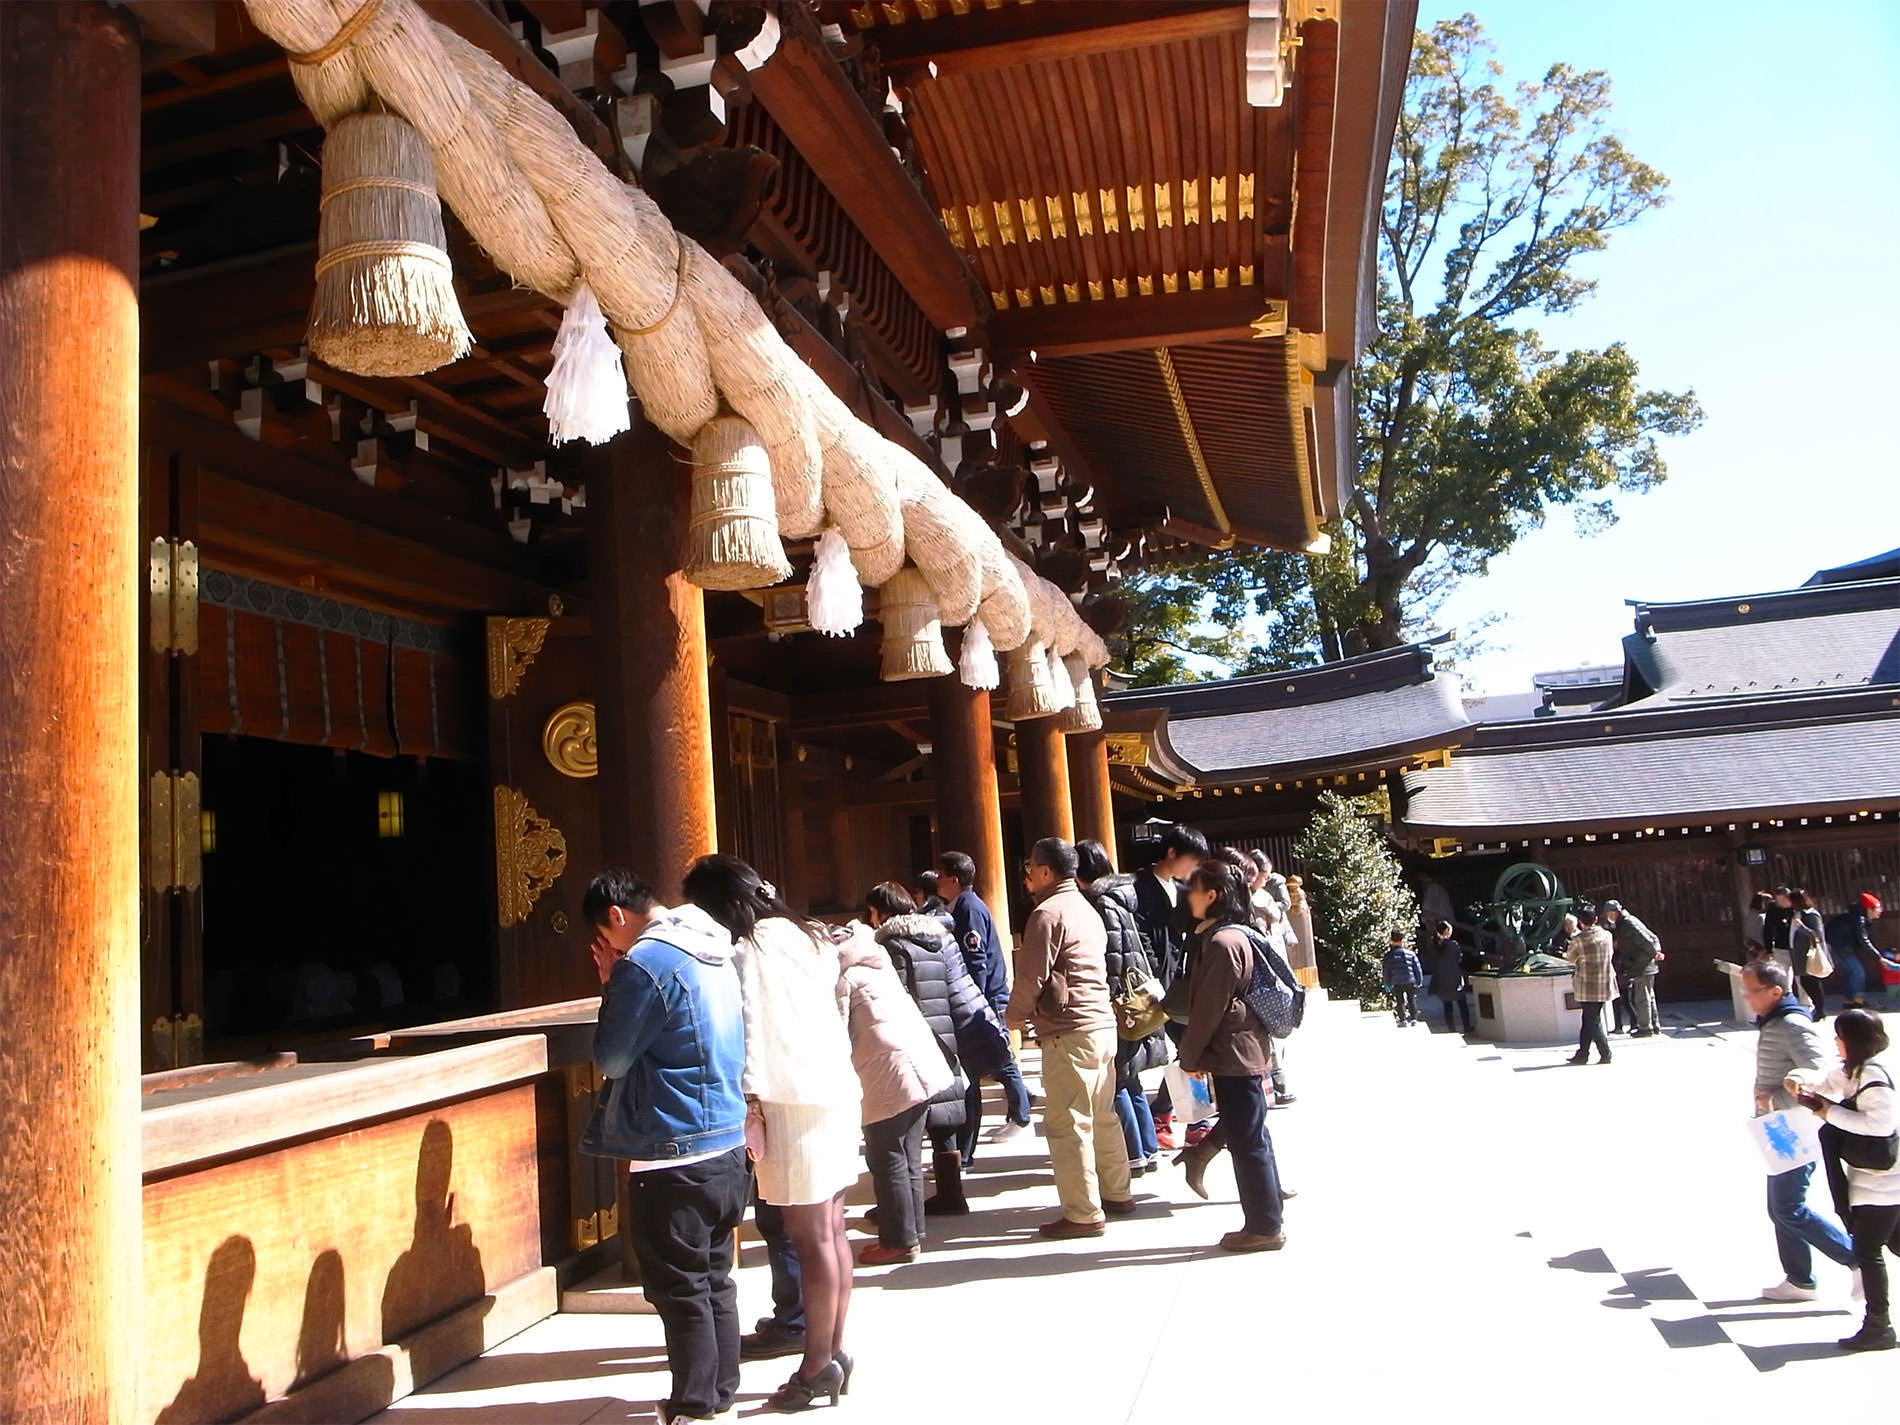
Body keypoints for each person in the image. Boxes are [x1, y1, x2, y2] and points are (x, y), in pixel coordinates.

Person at [685, 854, 859, 1412]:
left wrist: (749, 1098)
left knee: (809, 1239)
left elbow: (753, 1027)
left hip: (791, 1097)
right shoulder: (808, 934)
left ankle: (815, 1366)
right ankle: (831, 1350)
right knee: (831, 1230)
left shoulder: (748, 950)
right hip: (831, 1088)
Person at [584, 867, 749, 1425]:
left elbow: (611, 1059)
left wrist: (613, 984)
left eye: (605, 940)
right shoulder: (712, 949)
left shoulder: (647, 963)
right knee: (713, 1277)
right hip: (726, 1141)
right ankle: (721, 1390)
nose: (608, 950)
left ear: (616, 917)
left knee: (679, 1286)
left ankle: (695, 1406)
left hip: (673, 1148)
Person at [863, 881, 1010, 1223]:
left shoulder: (891, 947)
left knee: (906, 1127)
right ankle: (951, 1193)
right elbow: (962, 988)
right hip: (947, 1039)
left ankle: (901, 1207)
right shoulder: (941, 936)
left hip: (913, 1041)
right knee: (944, 1120)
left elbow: (893, 999)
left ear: (882, 912)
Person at [1009, 836, 1133, 1238]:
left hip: (1069, 1031)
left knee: (1068, 1124)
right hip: (1101, 1025)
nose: (1027, 876)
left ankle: (1082, 1212)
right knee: (1102, 1115)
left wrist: (1013, 1017)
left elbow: (1032, 976)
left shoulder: (1047, 913)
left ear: (1045, 871)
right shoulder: (1086, 907)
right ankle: (1117, 1192)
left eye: (1030, 867)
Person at [1178, 860, 1287, 1252]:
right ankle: (1267, 1218)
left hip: (1233, 1054)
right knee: (1253, 1136)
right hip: (1245, 1050)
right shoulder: (1237, 935)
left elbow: (1209, 1008)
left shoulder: (1223, 942)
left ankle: (1263, 1226)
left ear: (1212, 896)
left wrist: (1189, 1055)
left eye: (1194, 889)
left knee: (1248, 1142)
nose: (1188, 895)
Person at [838, 905, 956, 1268]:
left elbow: (836, 1027)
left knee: (886, 1156)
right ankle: (912, 1229)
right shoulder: (879, 963)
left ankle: (898, 1239)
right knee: (908, 1154)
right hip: (916, 1063)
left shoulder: (845, 976)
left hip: (886, 1071)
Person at [1738, 960, 1857, 1302]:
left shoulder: (1791, 1024)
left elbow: (1822, 1074)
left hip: (1796, 1128)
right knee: (1780, 1208)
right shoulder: (1773, 1021)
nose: (1746, 998)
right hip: (1777, 1125)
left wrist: (1774, 1097)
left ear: (1775, 992)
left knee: (1788, 1206)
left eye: (1751, 991)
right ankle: (1799, 1279)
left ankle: (1855, 1258)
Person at [1789, 1008, 1899, 1350]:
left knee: (1867, 1250)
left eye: (1839, 1036)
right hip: (1872, 1179)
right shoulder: (1853, 1071)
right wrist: (1801, 1081)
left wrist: (1828, 1111)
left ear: (1851, 1041)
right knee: (1894, 1244)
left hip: (1883, 1183)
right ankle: (1878, 1325)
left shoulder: (1874, 1080)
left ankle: (1878, 1326)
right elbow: (1827, 1080)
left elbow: (1880, 1127)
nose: (1835, 1041)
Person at [1076, 838, 1170, 1176]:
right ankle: (1148, 1147)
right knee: (1129, 1079)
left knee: (1114, 1080)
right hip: (1138, 996)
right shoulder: (1125, 896)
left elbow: (1111, 957)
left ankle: (1132, 1154)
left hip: (1117, 1004)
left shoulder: (1098, 903)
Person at [935, 851, 1033, 1149]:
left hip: (985, 995)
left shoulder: (968, 908)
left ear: (954, 878)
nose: (937, 880)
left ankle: (1021, 1114)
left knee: (1000, 1057)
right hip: (983, 994)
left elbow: (976, 958)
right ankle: (1018, 1112)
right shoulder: (961, 906)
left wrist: (972, 997)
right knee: (993, 1058)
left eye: (940, 875)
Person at [1134, 824, 1208, 1148]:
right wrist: (1152, 977)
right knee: (1190, 1048)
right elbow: (1141, 938)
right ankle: (1184, 1118)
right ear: (1172, 853)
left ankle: (1175, 1115)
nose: (1192, 870)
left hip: (1177, 983)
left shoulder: (1179, 889)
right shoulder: (1140, 887)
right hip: (1156, 984)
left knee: (1191, 1047)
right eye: (1190, 861)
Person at [1602, 901, 1664, 1037]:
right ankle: (1654, 1025)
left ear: (1613, 912)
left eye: (1607, 914)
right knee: (1648, 995)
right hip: (1644, 963)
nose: (1607, 917)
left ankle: (1645, 1027)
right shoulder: (1627, 922)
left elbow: (1644, 940)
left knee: (1642, 997)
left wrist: (1655, 953)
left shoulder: (1627, 924)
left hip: (1642, 964)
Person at [1562, 909, 1616, 1066]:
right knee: (1588, 1018)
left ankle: (1605, 1052)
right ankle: (1582, 1054)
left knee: (1593, 1019)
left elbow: (1570, 958)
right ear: (1596, 919)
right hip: (1605, 982)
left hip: (1587, 984)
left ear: (1580, 922)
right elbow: (1610, 954)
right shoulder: (1607, 935)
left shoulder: (1579, 939)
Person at [1826, 893, 1887, 1009]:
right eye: (1878, 908)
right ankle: (1858, 1000)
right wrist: (1879, 958)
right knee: (1858, 972)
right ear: (1869, 909)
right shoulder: (1859, 919)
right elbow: (1863, 940)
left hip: (1838, 947)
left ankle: (1849, 1001)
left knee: (1852, 972)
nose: (1880, 910)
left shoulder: (1857, 917)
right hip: (1838, 947)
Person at [1788, 888, 1831, 1020]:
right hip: (1799, 952)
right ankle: (1818, 1009)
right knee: (1805, 981)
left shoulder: (1811, 915)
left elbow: (1817, 934)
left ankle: (1820, 1009)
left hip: (1809, 953)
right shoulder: (1798, 913)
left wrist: (1801, 927)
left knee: (1811, 981)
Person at [1426, 920, 1473, 1034]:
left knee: (1447, 1006)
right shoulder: (1453, 945)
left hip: (1441, 979)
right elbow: (1459, 959)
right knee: (1462, 1004)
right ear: (1447, 931)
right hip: (1454, 977)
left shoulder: (1433, 945)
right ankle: (1466, 1027)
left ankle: (1451, 1029)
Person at [1382, 930, 1424, 1027]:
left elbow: (1386, 971)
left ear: (1391, 941)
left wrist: (1387, 983)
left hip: (1396, 981)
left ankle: (1403, 1019)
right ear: (1403, 941)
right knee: (1411, 999)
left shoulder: (1388, 956)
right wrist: (1419, 980)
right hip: (1410, 980)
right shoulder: (1410, 954)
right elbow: (1417, 968)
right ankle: (1414, 1019)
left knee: (1399, 1001)